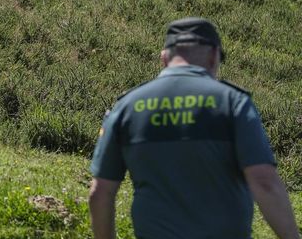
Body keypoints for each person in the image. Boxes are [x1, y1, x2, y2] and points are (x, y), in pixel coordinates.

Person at [88, 17, 300, 239]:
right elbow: (264, 182)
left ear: (164, 58)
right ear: (213, 56)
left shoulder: (127, 107)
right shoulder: (232, 102)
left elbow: (100, 193)